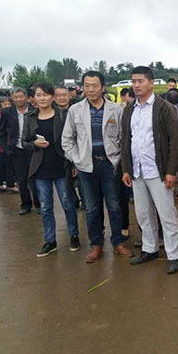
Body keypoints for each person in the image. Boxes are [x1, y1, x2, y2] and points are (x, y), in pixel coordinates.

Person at [62, 71, 132, 263]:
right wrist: (76, 159)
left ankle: (118, 242)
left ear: (102, 88)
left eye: (95, 85)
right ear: (83, 88)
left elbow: (124, 137)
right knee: (92, 208)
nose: (90, 89)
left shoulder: (115, 109)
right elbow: (67, 139)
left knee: (114, 205)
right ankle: (96, 244)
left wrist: (120, 160)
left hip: (110, 165)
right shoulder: (75, 110)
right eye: (87, 85)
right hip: (86, 167)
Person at [121, 66, 178, 274]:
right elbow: (125, 140)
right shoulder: (130, 109)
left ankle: (174, 255)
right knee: (143, 214)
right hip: (137, 171)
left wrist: (171, 171)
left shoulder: (163, 107)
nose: (136, 85)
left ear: (151, 83)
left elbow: (175, 141)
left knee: (167, 214)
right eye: (133, 81)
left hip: (158, 171)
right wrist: (126, 168)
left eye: (140, 81)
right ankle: (149, 249)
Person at [22, 83, 80, 257]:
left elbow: (73, 139)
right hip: (40, 169)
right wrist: (34, 144)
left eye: (46, 95)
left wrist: (74, 163)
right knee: (46, 207)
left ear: (52, 97)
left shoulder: (63, 115)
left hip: (61, 167)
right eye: (38, 95)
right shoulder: (29, 118)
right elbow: (24, 142)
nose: (42, 98)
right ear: (33, 98)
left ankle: (74, 235)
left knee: (68, 204)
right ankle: (50, 240)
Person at [0, 87, 40, 215]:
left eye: (21, 97)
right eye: (15, 97)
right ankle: (26, 204)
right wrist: (7, 149)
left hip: (33, 149)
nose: (19, 99)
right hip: (17, 150)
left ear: (26, 97)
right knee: (22, 179)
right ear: (11, 98)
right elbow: (1, 133)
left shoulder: (35, 110)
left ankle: (39, 204)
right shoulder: (6, 112)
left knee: (36, 178)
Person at [0, 96, 17, 193]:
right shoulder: (0, 116)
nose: (7, 106)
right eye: (4, 105)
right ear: (0, 106)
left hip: (5, 144)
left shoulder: (7, 114)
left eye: (8, 104)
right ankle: (10, 185)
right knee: (9, 165)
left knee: (2, 164)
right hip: (4, 145)